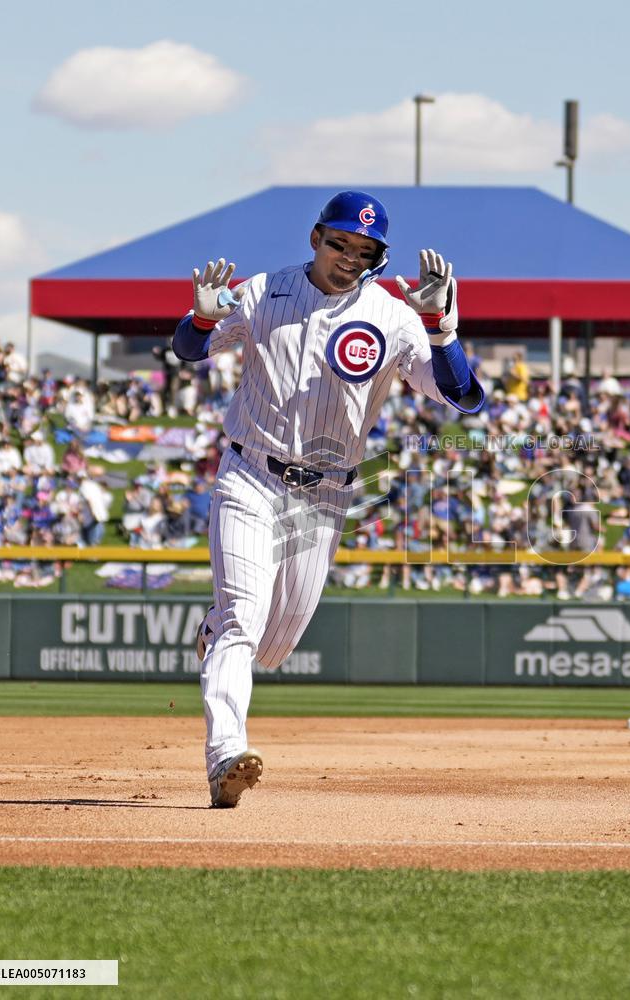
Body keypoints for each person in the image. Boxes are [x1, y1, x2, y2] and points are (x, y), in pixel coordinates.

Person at [172, 190, 484, 808]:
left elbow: (462, 397)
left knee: (275, 645)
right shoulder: (264, 292)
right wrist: (203, 320)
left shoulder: (392, 316)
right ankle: (225, 754)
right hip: (250, 474)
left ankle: (211, 629)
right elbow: (189, 350)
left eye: (364, 249)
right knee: (243, 616)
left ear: (376, 256)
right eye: (340, 242)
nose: (349, 256)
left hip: (325, 497)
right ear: (316, 237)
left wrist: (440, 326)